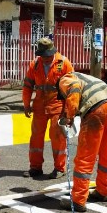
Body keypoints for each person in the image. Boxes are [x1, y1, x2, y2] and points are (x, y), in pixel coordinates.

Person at [55, 72, 107, 213]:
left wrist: (68, 117)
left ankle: (78, 200)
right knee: (105, 151)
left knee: (85, 157)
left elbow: (73, 91)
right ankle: (103, 190)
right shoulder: (83, 77)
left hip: (97, 110)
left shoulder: (64, 79)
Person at [21, 37, 74, 179]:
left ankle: (59, 168)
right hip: (39, 105)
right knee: (36, 137)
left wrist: (70, 111)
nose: (46, 58)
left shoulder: (64, 63)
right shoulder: (35, 64)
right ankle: (35, 168)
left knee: (57, 136)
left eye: (48, 55)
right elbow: (27, 86)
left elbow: (73, 89)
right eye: (43, 56)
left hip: (57, 104)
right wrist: (26, 104)